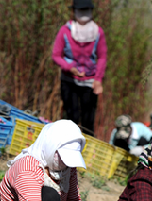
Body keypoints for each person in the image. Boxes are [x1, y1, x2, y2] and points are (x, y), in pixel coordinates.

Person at [52, 0, 107, 136]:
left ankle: (87, 149)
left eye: (86, 10)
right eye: (80, 10)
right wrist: (69, 67)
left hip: (89, 81)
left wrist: (98, 79)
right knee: (71, 117)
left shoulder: (98, 32)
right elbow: (56, 55)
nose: (83, 14)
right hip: (69, 80)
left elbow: (102, 57)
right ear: (74, 12)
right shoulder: (65, 31)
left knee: (88, 119)